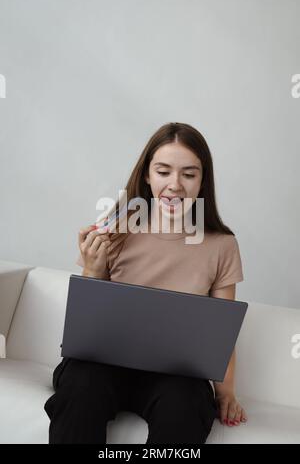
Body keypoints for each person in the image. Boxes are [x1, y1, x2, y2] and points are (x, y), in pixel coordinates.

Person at [44, 122, 247, 444]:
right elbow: (88, 324)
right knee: (82, 387)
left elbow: (222, 332)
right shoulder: (115, 228)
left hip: (174, 378)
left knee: (185, 406)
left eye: (189, 174)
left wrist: (226, 393)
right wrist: (94, 268)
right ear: (147, 175)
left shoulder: (222, 245)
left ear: (202, 180)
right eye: (163, 172)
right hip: (101, 367)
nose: (175, 185)